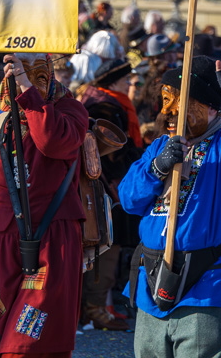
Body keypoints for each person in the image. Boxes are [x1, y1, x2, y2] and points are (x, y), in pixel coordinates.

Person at [118, 46, 221, 358]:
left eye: (182, 103)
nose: (168, 112)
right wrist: (155, 168)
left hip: (207, 291)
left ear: (212, 108)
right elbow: (128, 200)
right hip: (152, 287)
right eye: (166, 102)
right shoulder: (161, 145)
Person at [0, 53, 89, 358]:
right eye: (21, 68)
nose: (31, 76)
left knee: (28, 345)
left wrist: (27, 90)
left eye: (38, 68)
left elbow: (51, 141)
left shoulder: (71, 113)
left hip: (51, 246)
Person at [80, 58, 143, 330]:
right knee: (105, 244)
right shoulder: (106, 105)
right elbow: (113, 151)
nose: (130, 83)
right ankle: (93, 308)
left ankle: (93, 308)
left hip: (106, 185)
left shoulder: (104, 100)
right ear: (115, 82)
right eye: (126, 79)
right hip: (107, 186)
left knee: (106, 244)